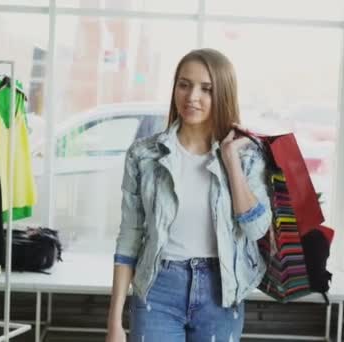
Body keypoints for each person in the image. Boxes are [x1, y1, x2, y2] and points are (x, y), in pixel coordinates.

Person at [106, 48, 272, 342]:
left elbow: (256, 228)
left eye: (206, 89)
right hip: (158, 288)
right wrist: (115, 320)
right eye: (184, 84)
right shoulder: (144, 155)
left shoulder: (247, 157)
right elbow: (129, 237)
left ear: (222, 94)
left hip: (221, 291)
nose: (192, 96)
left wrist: (230, 160)